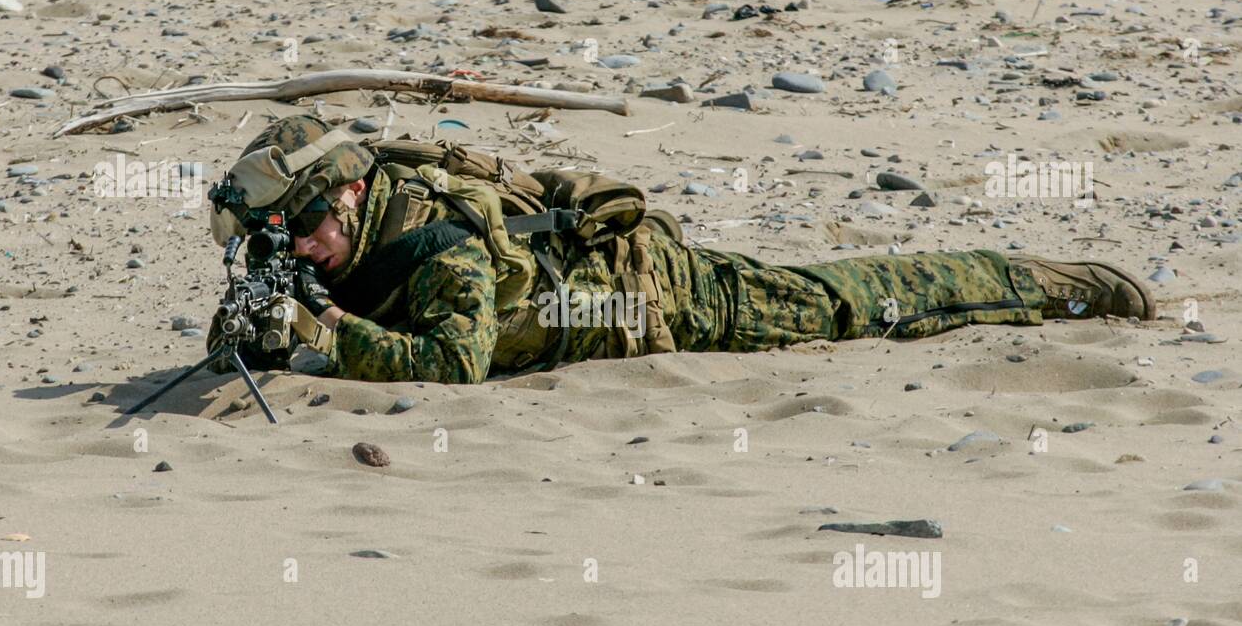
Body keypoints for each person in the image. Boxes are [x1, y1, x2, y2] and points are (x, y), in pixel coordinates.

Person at [205, 116, 1157, 384]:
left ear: (353, 194)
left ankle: (1043, 283)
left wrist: (324, 327)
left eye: (305, 231)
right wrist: (253, 313)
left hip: (650, 298)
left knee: (845, 302)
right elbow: (249, 335)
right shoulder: (326, 244)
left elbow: (453, 362)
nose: (303, 251)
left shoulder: (438, 243)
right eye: (281, 239)